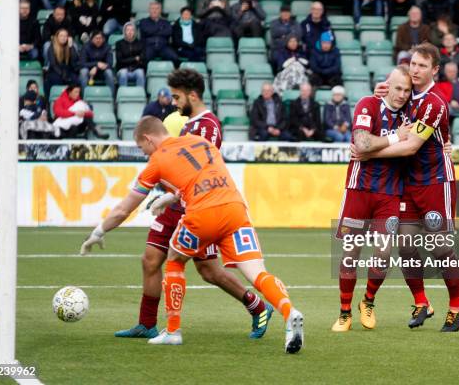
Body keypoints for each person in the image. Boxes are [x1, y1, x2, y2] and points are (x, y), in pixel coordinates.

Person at [80, 125, 304, 352]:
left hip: (202, 213)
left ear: (148, 138)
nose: (144, 153)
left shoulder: (157, 161)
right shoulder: (201, 142)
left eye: (142, 147)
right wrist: (170, 197)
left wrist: (99, 231)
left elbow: (123, 209)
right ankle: (289, 312)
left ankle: (173, 331)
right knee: (258, 274)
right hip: (236, 209)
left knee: (175, 259)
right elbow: (200, 176)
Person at [113, 69, 272, 341]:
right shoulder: (187, 124)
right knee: (150, 259)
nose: (173, 102)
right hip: (176, 203)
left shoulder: (209, 126)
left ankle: (257, 306)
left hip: (197, 207)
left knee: (208, 270)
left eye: (176, 97)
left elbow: (202, 170)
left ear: (191, 95)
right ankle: (146, 323)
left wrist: (172, 194)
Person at [359, 42, 459, 332]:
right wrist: (377, 94)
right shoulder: (406, 94)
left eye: (422, 66)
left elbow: (410, 147)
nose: (415, 70)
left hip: (435, 180)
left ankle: (457, 305)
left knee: (441, 247)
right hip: (408, 182)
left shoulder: (434, 102)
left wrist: (367, 153)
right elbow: (380, 112)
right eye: (413, 64)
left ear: (435, 70)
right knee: (406, 245)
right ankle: (422, 302)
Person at [331, 65, 412, 332]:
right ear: (386, 85)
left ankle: (368, 301)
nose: (401, 95)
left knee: (383, 253)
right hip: (358, 191)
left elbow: (405, 149)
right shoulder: (368, 104)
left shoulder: (410, 116)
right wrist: (393, 138)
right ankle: (344, 312)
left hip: (389, 195)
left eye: (407, 90)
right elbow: (362, 143)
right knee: (350, 254)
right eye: (397, 88)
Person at [45, 28, 80, 98]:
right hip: (55, 71)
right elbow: (53, 64)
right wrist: (61, 74)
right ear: (57, 37)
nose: (63, 38)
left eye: (65, 36)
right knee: (56, 79)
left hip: (68, 70)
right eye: (61, 36)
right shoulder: (52, 47)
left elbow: (75, 60)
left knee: (75, 80)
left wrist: (71, 47)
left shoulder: (70, 47)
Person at [79, 31, 116, 96]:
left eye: (100, 38)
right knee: (83, 71)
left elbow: (110, 63)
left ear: (103, 39)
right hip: (89, 71)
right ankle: (84, 96)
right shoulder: (86, 47)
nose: (98, 40)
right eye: (96, 38)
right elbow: (82, 63)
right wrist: (96, 64)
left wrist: (97, 67)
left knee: (109, 72)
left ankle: (111, 97)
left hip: (102, 71)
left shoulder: (107, 47)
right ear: (92, 39)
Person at [115, 22, 146, 88]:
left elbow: (142, 58)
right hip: (123, 69)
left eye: (132, 30)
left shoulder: (140, 43)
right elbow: (120, 60)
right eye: (128, 30)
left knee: (140, 73)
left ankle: (140, 95)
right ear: (124, 31)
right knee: (123, 73)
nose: (130, 32)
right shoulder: (119, 44)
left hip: (136, 69)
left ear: (135, 32)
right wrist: (135, 59)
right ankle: (123, 95)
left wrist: (128, 60)